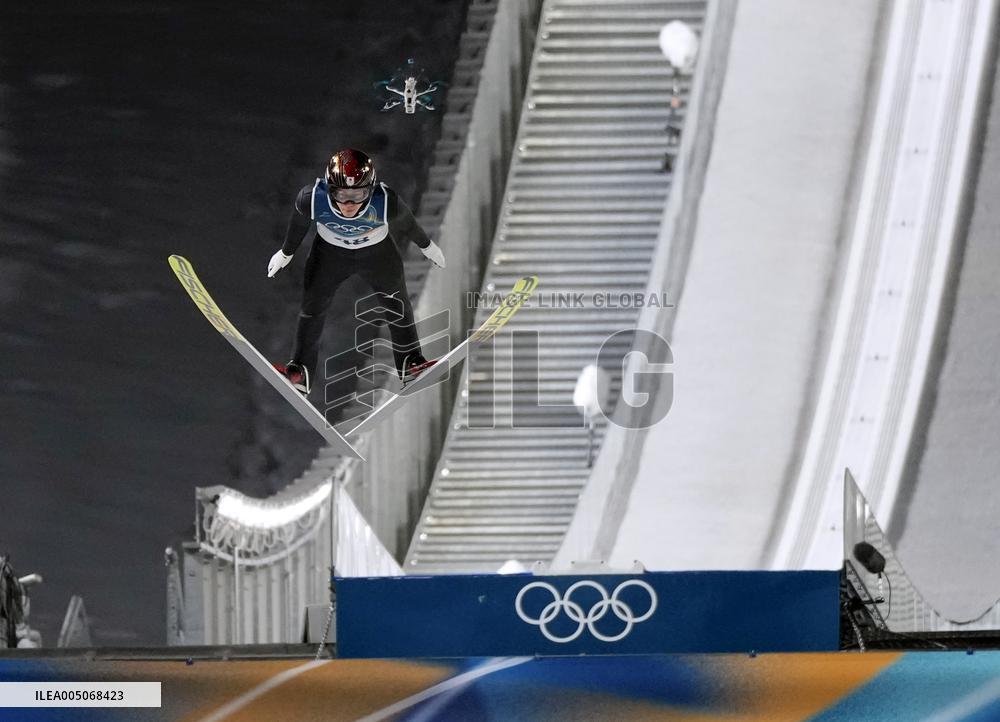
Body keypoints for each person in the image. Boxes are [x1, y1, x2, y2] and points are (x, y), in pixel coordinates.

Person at [266, 148, 445, 394]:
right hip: (330, 255)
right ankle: (300, 371)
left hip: (377, 255)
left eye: (358, 194)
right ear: (329, 189)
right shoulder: (312, 198)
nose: (349, 204)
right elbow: (299, 224)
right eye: (341, 194)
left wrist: (428, 247)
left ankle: (410, 362)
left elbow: (408, 225)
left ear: (370, 190)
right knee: (312, 308)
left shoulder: (385, 201)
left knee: (397, 305)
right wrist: (286, 253)